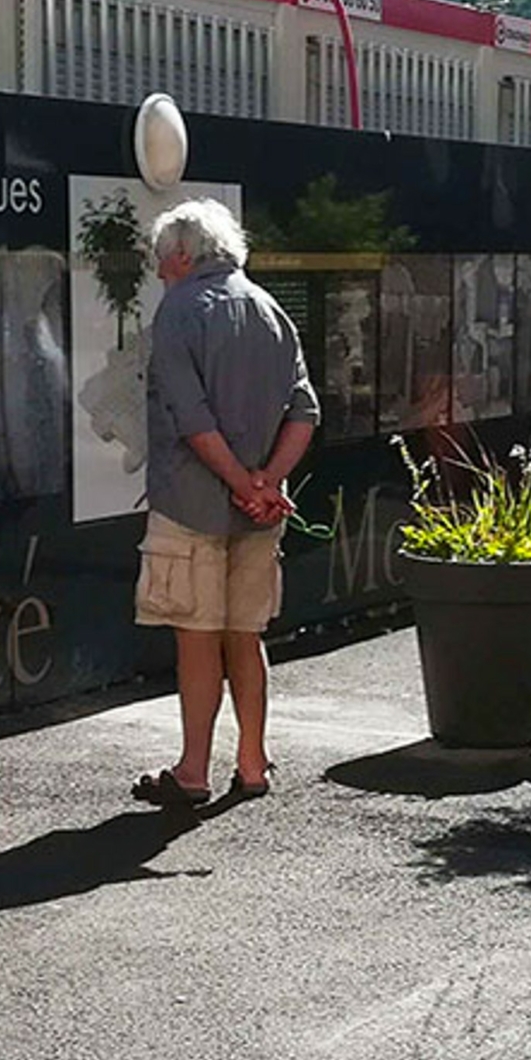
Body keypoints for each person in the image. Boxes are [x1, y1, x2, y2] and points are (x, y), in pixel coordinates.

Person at [131, 198, 319, 808]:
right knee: (246, 635)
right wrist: (267, 484)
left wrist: (241, 482)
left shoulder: (179, 311)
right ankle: (253, 761)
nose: (159, 272)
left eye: (162, 261)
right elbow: (305, 410)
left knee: (196, 636)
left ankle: (192, 772)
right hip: (263, 514)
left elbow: (191, 418)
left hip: (192, 504)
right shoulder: (270, 310)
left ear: (183, 256)